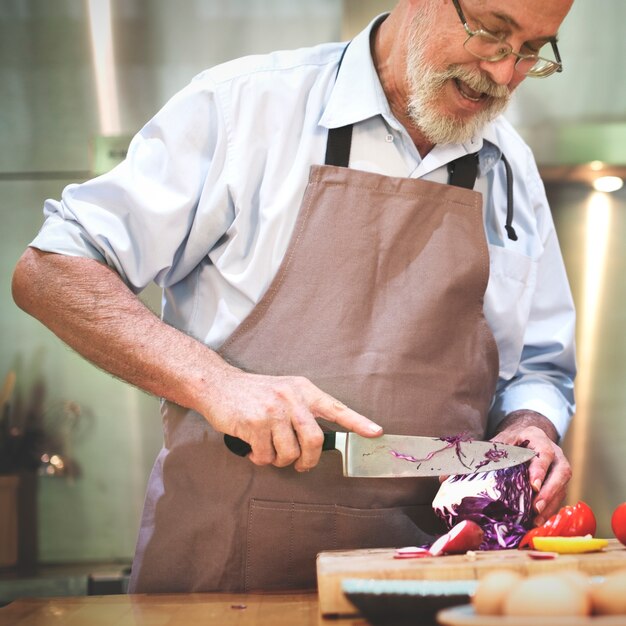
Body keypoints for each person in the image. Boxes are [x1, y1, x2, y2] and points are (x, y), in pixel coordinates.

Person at [12, 0, 576, 593]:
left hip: (433, 583)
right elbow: (52, 268)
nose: (506, 72)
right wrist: (216, 382)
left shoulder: (511, 169)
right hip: (225, 581)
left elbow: (538, 364)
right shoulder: (244, 108)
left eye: (534, 50)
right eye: (492, 32)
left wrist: (531, 424)